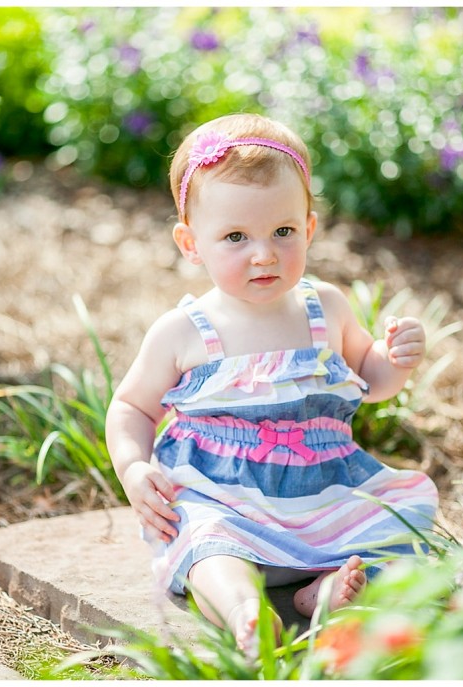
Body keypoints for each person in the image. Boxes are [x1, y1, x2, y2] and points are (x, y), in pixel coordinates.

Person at [105, 112, 439, 653]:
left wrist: (393, 357)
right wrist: (134, 466)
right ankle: (243, 609)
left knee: (400, 529)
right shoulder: (185, 331)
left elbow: (371, 379)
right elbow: (131, 408)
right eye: (235, 236)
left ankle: (328, 592)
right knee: (205, 545)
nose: (263, 253)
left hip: (325, 491)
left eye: (282, 231)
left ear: (308, 227)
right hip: (224, 499)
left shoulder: (324, 308)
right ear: (191, 244)